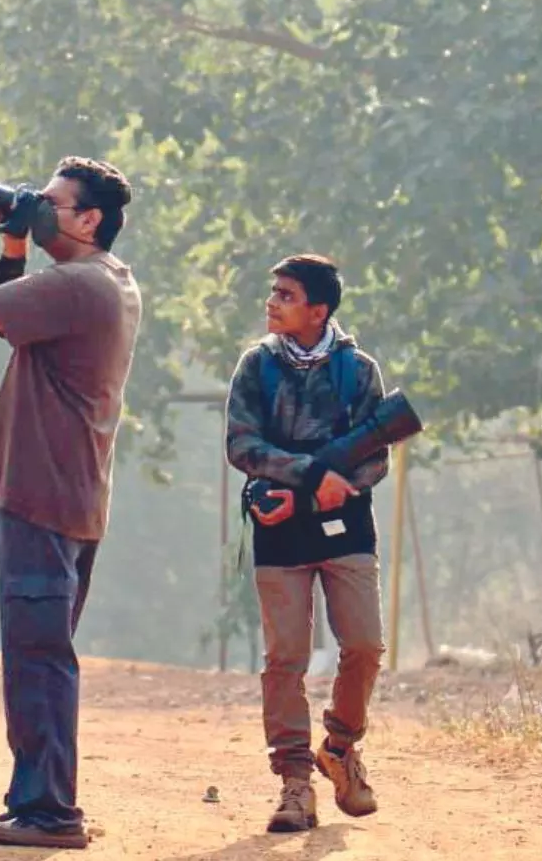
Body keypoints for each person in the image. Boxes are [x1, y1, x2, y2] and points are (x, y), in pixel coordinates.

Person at [0, 156, 140, 850]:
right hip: (62, 492)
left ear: (89, 218)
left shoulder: (78, 284)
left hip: (43, 494)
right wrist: (13, 244)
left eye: (51, 201)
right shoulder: (105, 279)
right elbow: (7, 323)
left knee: (39, 654)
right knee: (35, 651)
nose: (39, 206)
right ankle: (35, 800)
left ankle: (50, 812)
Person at [224, 254, 389, 835]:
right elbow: (242, 447)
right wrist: (305, 478)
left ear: (318, 310)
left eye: (286, 295)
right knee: (285, 659)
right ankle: (296, 784)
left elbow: (376, 457)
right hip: (278, 525)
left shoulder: (359, 370)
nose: (272, 302)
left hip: (346, 522)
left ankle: (340, 747)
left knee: (365, 646)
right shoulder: (255, 367)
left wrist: (330, 488)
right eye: (273, 292)